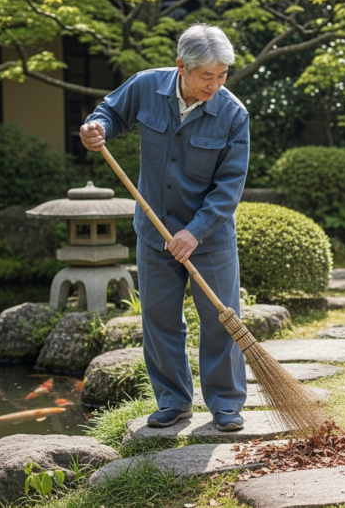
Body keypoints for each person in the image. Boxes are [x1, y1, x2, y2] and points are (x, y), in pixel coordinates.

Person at [79, 23, 250, 432]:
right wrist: (95, 127)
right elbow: (109, 113)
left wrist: (196, 231)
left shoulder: (233, 114)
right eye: (206, 76)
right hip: (155, 231)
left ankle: (226, 404)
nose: (215, 85)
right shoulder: (146, 86)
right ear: (181, 67)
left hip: (209, 237)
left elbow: (230, 186)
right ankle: (173, 401)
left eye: (222, 75)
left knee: (221, 320)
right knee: (159, 320)